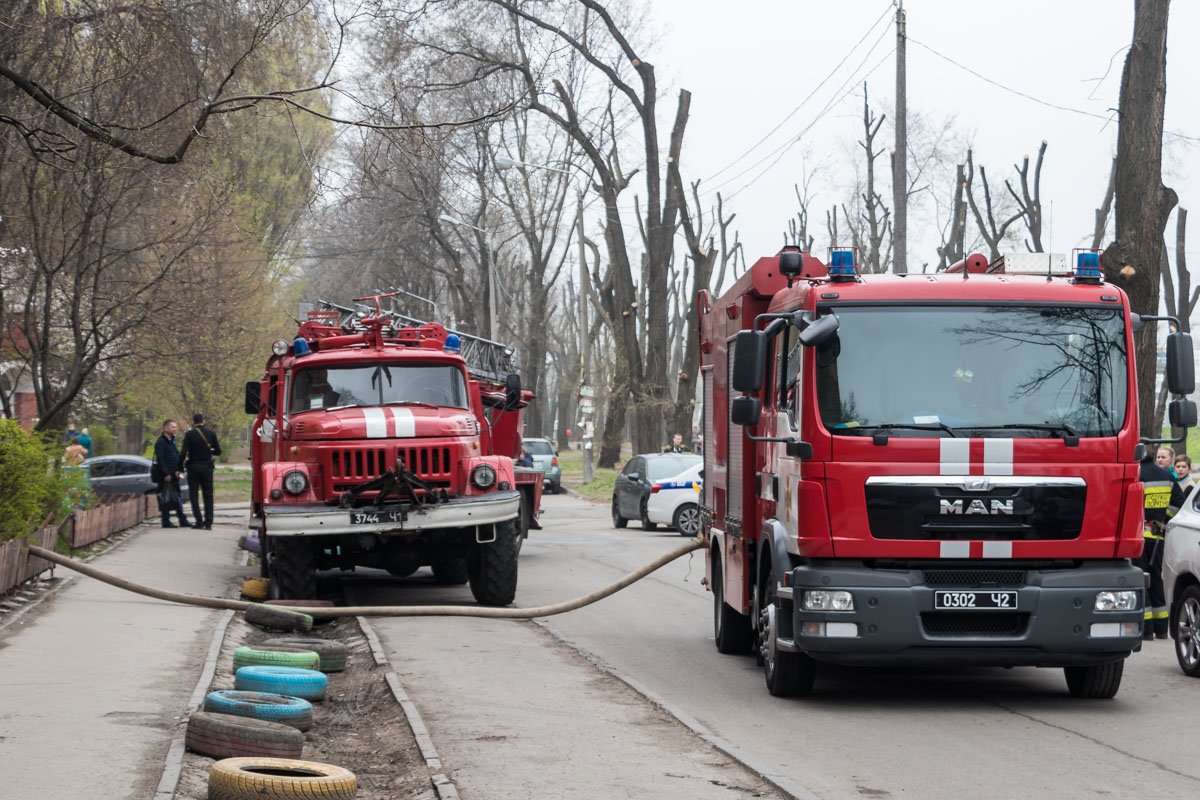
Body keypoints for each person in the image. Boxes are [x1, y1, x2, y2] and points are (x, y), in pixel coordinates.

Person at [1138, 449, 1184, 640]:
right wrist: (1163, 519)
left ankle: (1147, 629)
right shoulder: (1166, 476)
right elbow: (1178, 504)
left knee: (1141, 579)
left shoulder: (1136, 474)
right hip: (1159, 535)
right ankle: (1162, 628)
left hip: (1138, 536)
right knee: (1156, 577)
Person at [181, 413, 221, 530]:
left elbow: (183, 453)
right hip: (207, 467)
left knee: (194, 495)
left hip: (193, 467)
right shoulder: (211, 434)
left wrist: (179, 466)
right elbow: (218, 451)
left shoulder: (189, 434)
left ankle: (199, 522)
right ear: (203, 421)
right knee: (208, 495)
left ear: (193, 422)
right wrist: (210, 450)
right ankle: (208, 523)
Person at [154, 419, 191, 528]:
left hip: (174, 474)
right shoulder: (161, 442)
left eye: (175, 427)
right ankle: (166, 521)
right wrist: (166, 474)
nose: (175, 429)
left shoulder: (172, 441)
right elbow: (160, 459)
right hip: (166, 476)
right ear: (165, 428)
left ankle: (182, 520)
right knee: (166, 497)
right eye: (172, 427)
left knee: (176, 497)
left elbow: (175, 457)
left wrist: (180, 468)